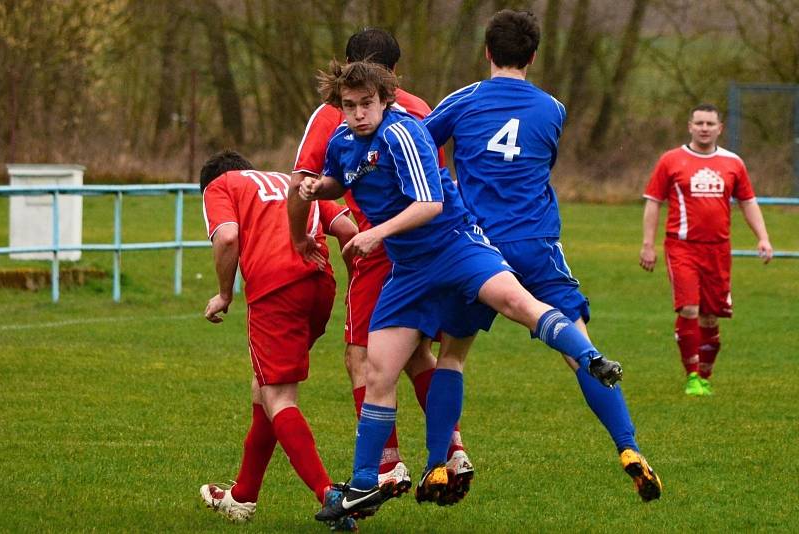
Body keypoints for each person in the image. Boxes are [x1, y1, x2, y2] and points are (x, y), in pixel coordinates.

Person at [292, 60, 622, 522]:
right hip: (409, 271)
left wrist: (375, 234)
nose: (358, 113)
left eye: (367, 104)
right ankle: (366, 483)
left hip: (456, 246)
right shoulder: (343, 142)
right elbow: (340, 179)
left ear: (385, 99)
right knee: (379, 370)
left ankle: (591, 359)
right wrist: (315, 187)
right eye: (349, 106)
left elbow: (430, 203)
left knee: (517, 302)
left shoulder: (403, 133)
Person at [422, 9, 662, 502]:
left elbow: (421, 147)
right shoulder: (553, 109)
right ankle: (629, 447)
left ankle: (437, 465)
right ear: (533, 56)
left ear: (487, 52)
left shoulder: (463, 100)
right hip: (537, 244)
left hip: (477, 248)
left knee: (452, 354)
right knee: (581, 351)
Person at [289, 27, 472, 502]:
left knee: (363, 357)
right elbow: (436, 178)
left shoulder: (336, 113)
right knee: (417, 354)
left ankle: (387, 467)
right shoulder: (421, 107)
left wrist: (306, 231)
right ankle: (452, 450)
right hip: (435, 246)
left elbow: (304, 181)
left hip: (381, 245)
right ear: (396, 70)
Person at [197, 150, 359, 530]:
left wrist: (224, 294)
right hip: (319, 286)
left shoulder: (221, 186)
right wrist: (357, 285)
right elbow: (348, 230)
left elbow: (227, 238)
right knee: (265, 386)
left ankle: (330, 497)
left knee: (278, 396)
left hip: (276, 289)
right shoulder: (288, 179)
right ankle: (243, 496)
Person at [640, 103, 773, 396]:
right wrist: (648, 245)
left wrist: (762, 237)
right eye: (699, 123)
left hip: (718, 249)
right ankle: (691, 376)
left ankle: (705, 376)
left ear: (719, 128)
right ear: (689, 126)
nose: (704, 128)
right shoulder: (671, 160)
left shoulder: (733, 163)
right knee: (689, 308)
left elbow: (748, 202)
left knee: (711, 316)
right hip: (681, 246)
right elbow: (653, 202)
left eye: (710, 124)